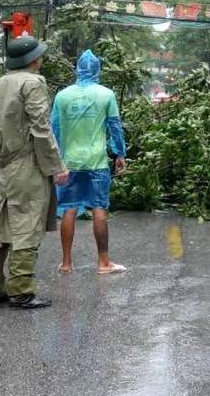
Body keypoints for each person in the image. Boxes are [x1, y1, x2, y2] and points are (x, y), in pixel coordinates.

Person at [0, 35, 70, 309]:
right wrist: (56, 166)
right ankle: (21, 291)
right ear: (34, 60)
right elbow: (41, 129)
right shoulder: (33, 83)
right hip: (26, 165)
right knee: (26, 226)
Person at [52, 50, 128, 275]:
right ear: (97, 70)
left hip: (69, 163)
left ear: (77, 69)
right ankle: (103, 263)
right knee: (99, 208)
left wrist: (55, 160)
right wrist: (120, 153)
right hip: (96, 162)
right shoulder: (106, 95)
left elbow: (53, 129)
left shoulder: (62, 96)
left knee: (68, 209)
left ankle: (66, 263)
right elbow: (115, 126)